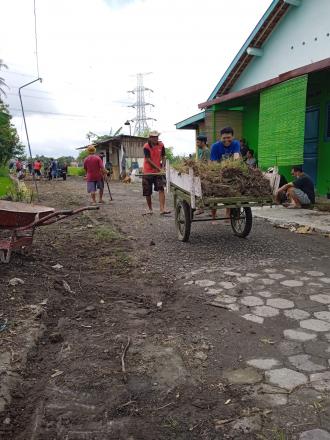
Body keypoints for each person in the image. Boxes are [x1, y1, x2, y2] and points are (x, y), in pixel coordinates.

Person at [210, 127, 241, 222]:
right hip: (217, 171)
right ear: (220, 137)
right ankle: (213, 216)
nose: (226, 140)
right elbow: (214, 163)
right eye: (224, 138)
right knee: (214, 193)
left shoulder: (236, 144)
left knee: (231, 193)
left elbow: (236, 158)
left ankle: (228, 214)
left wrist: (232, 169)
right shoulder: (215, 146)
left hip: (230, 171)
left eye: (229, 137)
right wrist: (222, 171)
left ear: (233, 137)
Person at [142, 130, 170, 215]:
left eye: (156, 137)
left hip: (158, 172)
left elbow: (163, 156)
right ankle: (150, 209)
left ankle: (162, 209)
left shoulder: (161, 145)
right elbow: (148, 160)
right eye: (153, 137)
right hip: (147, 172)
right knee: (148, 192)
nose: (155, 138)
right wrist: (159, 168)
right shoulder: (146, 146)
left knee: (161, 189)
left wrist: (163, 166)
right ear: (149, 138)